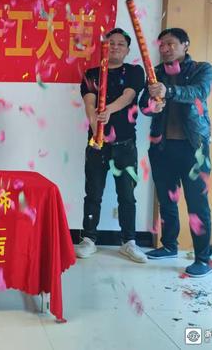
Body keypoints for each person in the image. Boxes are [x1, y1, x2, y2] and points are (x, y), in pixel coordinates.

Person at [139, 28, 212, 277]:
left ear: (185, 45)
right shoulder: (156, 73)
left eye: (171, 44)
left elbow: (199, 93)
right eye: (162, 45)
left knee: (197, 204)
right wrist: (151, 106)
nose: (165, 49)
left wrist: (168, 91)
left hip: (194, 148)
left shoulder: (202, 69)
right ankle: (170, 245)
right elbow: (143, 105)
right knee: (166, 200)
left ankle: (203, 258)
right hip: (162, 147)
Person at [75, 28, 148, 263]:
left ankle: (129, 242)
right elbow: (89, 102)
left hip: (125, 144)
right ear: (104, 48)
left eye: (120, 44)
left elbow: (129, 96)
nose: (115, 47)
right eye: (111, 43)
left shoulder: (135, 71)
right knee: (93, 193)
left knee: (126, 194)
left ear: (127, 50)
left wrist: (108, 111)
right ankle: (88, 239)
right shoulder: (92, 73)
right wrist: (95, 124)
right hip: (97, 144)